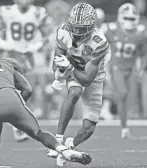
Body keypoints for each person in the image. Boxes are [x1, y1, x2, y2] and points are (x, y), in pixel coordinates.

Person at [0, 47, 92, 168]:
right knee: (39, 133)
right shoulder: (5, 63)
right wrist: (16, 110)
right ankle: (64, 151)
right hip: (9, 96)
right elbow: (28, 89)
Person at [46, 2, 110, 165]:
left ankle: (70, 145)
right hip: (73, 69)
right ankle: (58, 141)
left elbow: (87, 79)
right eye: (74, 27)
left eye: (81, 28)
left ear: (91, 27)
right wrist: (59, 70)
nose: (75, 31)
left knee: (88, 128)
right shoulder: (63, 31)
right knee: (74, 93)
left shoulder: (99, 42)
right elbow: (57, 56)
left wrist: (70, 68)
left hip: (93, 77)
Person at [0, 0, 53, 141]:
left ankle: (15, 124)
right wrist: (3, 44)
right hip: (11, 55)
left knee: (26, 91)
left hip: (28, 56)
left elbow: (48, 33)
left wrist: (36, 46)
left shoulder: (38, 13)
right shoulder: (7, 11)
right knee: (10, 90)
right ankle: (14, 124)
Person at [104, 3, 147, 139]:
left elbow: (145, 53)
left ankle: (124, 128)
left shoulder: (142, 34)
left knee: (126, 98)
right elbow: (99, 45)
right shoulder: (111, 29)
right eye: (126, 18)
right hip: (115, 66)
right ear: (120, 17)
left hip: (131, 69)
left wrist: (141, 68)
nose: (129, 21)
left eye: (132, 18)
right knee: (123, 94)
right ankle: (106, 104)